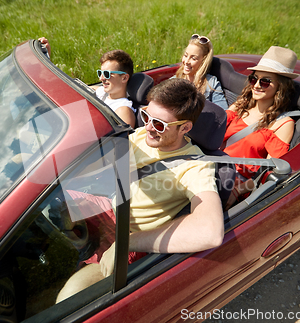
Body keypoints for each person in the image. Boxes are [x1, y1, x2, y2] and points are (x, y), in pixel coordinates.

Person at [56, 78, 227, 301]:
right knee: (46, 204)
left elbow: (210, 232)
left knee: (70, 297)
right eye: (146, 116)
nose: (148, 127)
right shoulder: (142, 135)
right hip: (109, 207)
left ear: (185, 127)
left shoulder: (194, 166)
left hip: (129, 237)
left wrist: (127, 243)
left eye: (159, 125)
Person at [220, 46, 298, 208]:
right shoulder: (241, 105)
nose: (256, 85)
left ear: (280, 87)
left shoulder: (283, 124)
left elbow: (268, 172)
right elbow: (215, 128)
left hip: (236, 185)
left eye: (265, 81)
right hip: (214, 166)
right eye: (254, 79)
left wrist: (238, 190)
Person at [38, 37, 136, 127]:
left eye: (106, 74)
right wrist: (47, 60)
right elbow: (68, 87)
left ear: (124, 78)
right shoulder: (100, 92)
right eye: (100, 73)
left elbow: (120, 144)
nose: (101, 78)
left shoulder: (123, 110)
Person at [173, 34, 228, 109]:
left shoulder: (211, 83)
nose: (186, 61)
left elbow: (223, 113)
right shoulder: (175, 80)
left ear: (203, 61)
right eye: (185, 55)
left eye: (193, 58)